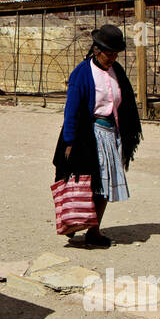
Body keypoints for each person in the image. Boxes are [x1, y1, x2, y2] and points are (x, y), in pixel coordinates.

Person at [52, 23, 142, 247]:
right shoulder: (82, 73)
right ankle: (73, 222)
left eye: (115, 54)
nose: (112, 58)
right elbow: (71, 110)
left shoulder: (116, 71)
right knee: (84, 182)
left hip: (110, 133)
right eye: (108, 54)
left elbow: (125, 103)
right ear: (96, 50)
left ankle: (94, 230)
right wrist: (70, 141)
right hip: (87, 135)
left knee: (104, 184)